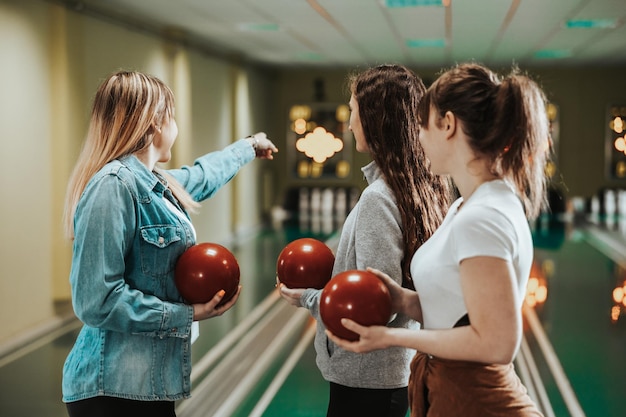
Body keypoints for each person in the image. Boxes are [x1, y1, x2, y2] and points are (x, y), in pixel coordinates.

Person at [327, 62, 550, 417]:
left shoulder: (483, 217)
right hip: (451, 391)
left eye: (422, 125)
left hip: (477, 400)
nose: (417, 136)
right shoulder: (466, 205)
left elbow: (496, 343)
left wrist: (392, 337)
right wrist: (404, 301)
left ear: (448, 125)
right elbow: (457, 313)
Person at [61, 70, 277, 417]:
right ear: (153, 125)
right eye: (171, 116)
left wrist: (249, 146)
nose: (175, 126)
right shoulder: (113, 186)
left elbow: (203, 174)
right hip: (112, 390)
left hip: (146, 383)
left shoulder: (154, 183)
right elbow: (95, 301)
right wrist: (186, 315)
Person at [279, 64, 451, 417]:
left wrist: (308, 298)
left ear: (375, 120)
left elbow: (376, 304)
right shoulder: (425, 187)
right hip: (392, 375)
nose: (350, 122)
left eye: (353, 112)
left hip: (365, 379)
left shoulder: (378, 198)